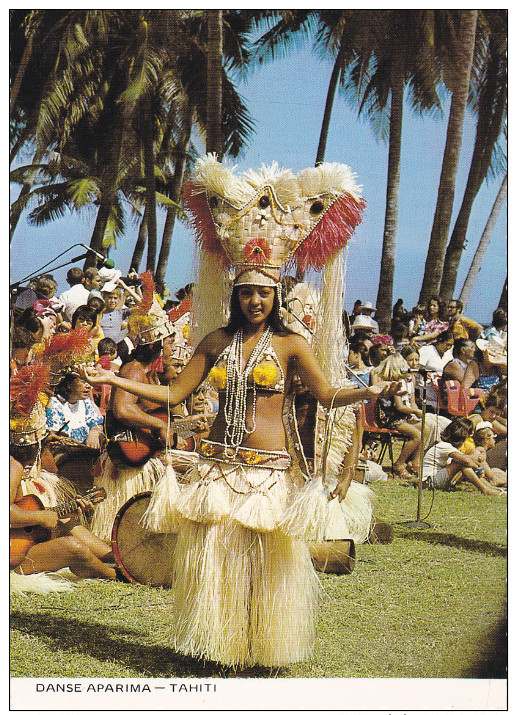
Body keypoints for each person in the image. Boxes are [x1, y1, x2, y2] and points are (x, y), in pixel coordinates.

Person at [83, 155, 397, 669]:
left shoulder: (294, 344)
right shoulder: (216, 339)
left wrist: (367, 391)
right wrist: (114, 377)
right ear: (235, 294)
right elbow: (175, 394)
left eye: (264, 293)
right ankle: (221, 646)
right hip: (219, 463)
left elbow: (325, 395)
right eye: (247, 291)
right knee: (218, 563)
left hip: (270, 468)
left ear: (276, 296)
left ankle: (264, 647)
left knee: (266, 565)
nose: (255, 300)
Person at [371, 352, 422, 480]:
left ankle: (415, 461)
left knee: (425, 428)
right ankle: (399, 464)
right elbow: (399, 407)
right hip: (389, 418)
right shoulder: (393, 384)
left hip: (399, 416)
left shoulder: (402, 381)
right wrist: (415, 412)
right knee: (417, 435)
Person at [422, 418, 503, 495]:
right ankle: (485, 489)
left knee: (463, 463)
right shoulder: (444, 445)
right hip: (428, 482)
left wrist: (477, 468)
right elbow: (466, 461)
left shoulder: (449, 447)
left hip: (434, 480)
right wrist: (477, 468)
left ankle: (489, 487)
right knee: (461, 463)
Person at [46, 372, 104, 448]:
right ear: (69, 385)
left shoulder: (85, 401)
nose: (89, 386)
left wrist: (94, 432)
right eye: (83, 382)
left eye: (88, 382)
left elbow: (96, 422)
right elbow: (57, 438)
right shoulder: (55, 405)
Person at [418, 329, 454, 412]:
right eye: (447, 344)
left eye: (451, 346)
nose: (448, 348)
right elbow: (418, 367)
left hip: (443, 391)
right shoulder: (426, 350)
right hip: (426, 388)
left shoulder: (448, 354)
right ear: (440, 341)